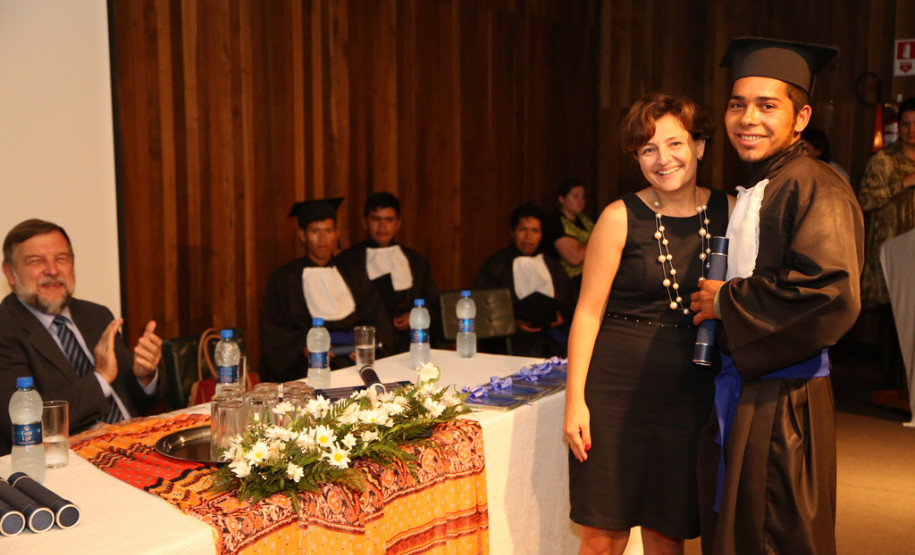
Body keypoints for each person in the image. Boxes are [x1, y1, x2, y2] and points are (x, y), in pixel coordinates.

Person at [690, 38, 864, 554]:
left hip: (783, 402)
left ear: (801, 117)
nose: (748, 118)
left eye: (768, 106)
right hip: (750, 390)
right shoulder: (766, 183)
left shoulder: (816, 187)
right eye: (737, 104)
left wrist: (726, 302)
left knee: (772, 534)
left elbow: (831, 293)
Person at [564, 92, 731, 554]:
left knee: (667, 529)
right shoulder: (618, 217)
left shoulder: (730, 211)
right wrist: (574, 401)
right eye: (648, 149)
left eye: (675, 144)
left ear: (699, 146)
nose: (663, 159)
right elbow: (587, 312)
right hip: (615, 389)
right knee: (603, 532)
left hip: (691, 389)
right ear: (636, 157)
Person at [0, 219, 163, 456]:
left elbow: (139, 401)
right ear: (10, 273)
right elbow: (25, 423)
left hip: (138, 444)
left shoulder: (96, 315)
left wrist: (145, 376)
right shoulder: (6, 330)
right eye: (36, 261)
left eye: (61, 259)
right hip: (67, 462)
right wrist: (101, 378)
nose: (52, 270)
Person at [259, 198, 395, 382]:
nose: (322, 238)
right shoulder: (284, 279)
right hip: (307, 367)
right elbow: (274, 330)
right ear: (302, 235)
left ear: (336, 234)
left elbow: (377, 319)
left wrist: (366, 345)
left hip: (353, 363)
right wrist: (303, 346)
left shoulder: (354, 274)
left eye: (328, 230)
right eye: (315, 231)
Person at [857, 97, 915, 387]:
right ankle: (889, 385)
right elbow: (864, 200)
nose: (911, 130)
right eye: (906, 124)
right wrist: (904, 183)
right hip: (892, 251)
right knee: (891, 319)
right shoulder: (883, 160)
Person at [337, 192, 441, 353]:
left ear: (398, 224)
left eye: (389, 220)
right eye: (376, 219)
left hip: (412, 342)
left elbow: (433, 301)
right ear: (365, 222)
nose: (382, 226)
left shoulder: (416, 262)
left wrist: (414, 317)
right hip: (371, 344)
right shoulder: (347, 262)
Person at [474, 203, 573, 358]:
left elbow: (569, 301)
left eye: (535, 230)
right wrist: (514, 323)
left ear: (541, 235)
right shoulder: (496, 265)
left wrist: (562, 317)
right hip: (513, 337)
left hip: (553, 334)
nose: (529, 237)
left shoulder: (553, 265)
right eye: (523, 230)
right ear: (512, 232)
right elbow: (484, 309)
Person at [542, 179, 594, 298]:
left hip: (590, 276)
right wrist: (597, 241)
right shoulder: (555, 224)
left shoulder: (585, 221)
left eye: (583, 197)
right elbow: (574, 258)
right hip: (568, 284)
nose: (580, 201)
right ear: (562, 199)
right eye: (575, 196)